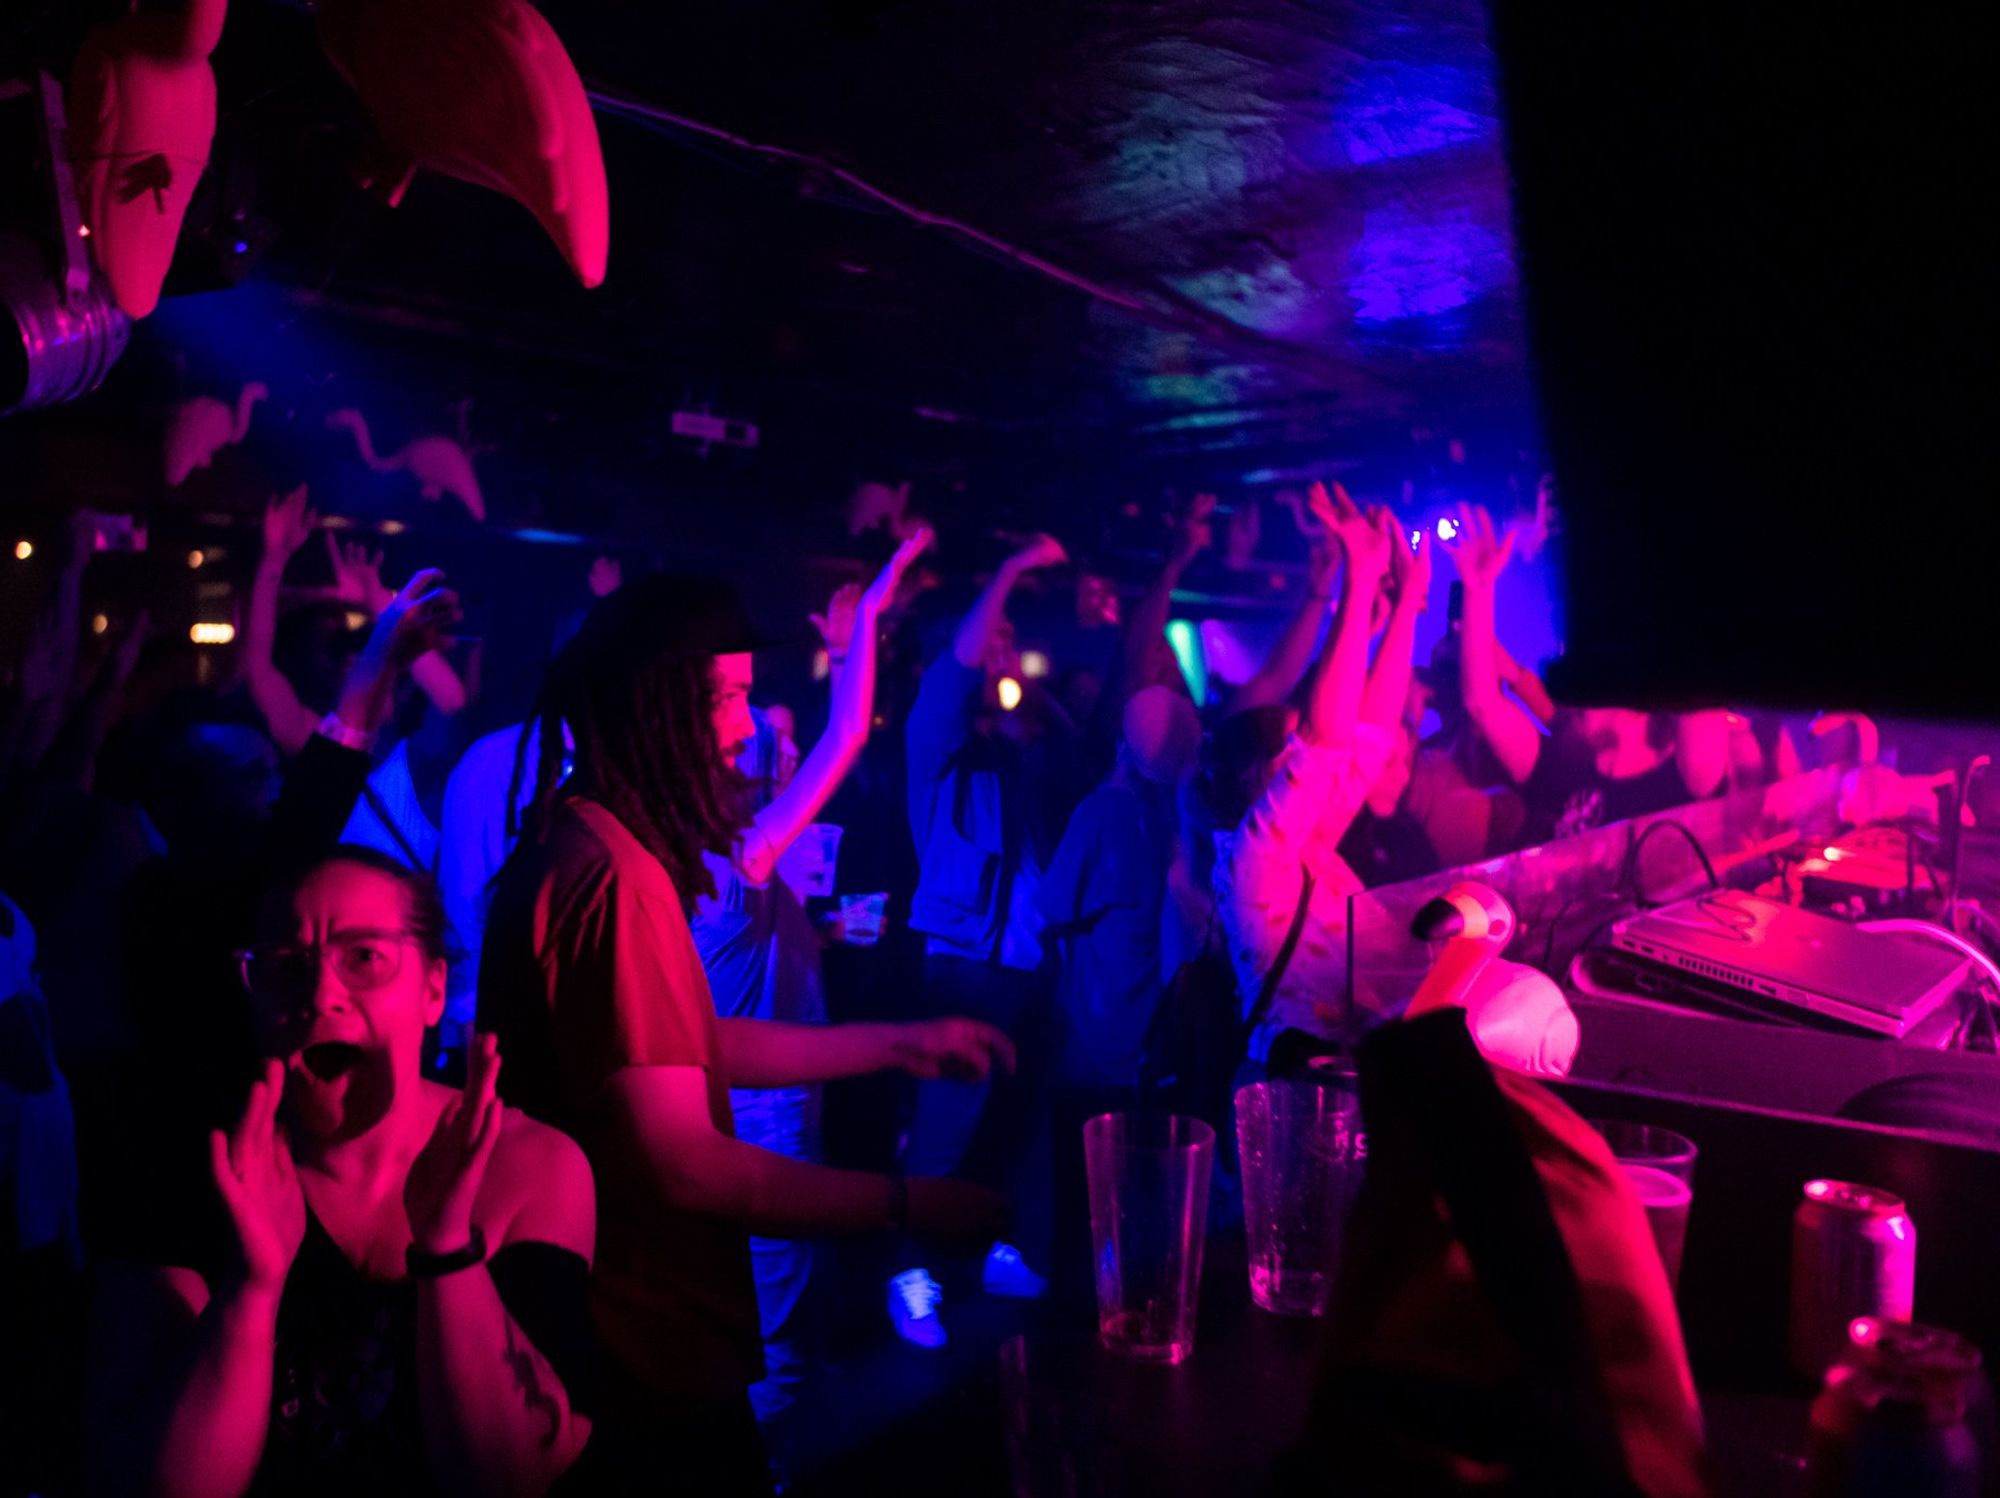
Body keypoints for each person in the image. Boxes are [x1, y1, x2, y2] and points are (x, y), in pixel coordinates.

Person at [479, 570, 1014, 1493]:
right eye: (724, 697)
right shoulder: (613, 876)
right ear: (659, 706)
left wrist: (892, 1043)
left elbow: (677, 1046)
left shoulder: (597, 842)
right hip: (637, 1344)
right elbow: (685, 1161)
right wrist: (913, 1205)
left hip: (632, 1333)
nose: (743, 727)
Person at [88, 848, 596, 1497]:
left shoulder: (531, 1166)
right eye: (287, 967)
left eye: (364, 959)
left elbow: (512, 1476)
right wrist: (251, 1289)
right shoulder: (189, 1171)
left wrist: (446, 1250)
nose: (321, 996)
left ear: (434, 990)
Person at [687, 532, 929, 1452]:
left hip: (729, 1096)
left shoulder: (685, 862)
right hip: (771, 1105)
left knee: (765, 1296)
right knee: (779, 1310)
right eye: (738, 724)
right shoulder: (738, 857)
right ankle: (776, 1462)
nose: (755, 747)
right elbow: (847, 734)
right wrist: (868, 619)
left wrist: (809, 933)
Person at [892, 532, 1073, 1347]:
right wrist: (1008, 571)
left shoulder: (1012, 749)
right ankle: (911, 1278)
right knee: (943, 1128)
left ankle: (997, 1252)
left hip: (1026, 968)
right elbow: (956, 673)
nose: (1004, 650)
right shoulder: (935, 741)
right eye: (992, 639)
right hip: (965, 966)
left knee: (1015, 1124)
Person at [1213, 483, 1427, 1072]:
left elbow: (1370, 738)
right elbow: (1327, 747)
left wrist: (1407, 606)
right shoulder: (1252, 860)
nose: (1305, 754)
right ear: (1256, 773)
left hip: (1345, 1072)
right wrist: (1357, 580)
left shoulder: (1311, 850)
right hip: (1290, 1086)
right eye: (1290, 743)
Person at [1442, 503, 1729, 849]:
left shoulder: (1686, 775)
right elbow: (1482, 704)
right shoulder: (1562, 763)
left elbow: (1699, 673)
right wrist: (1477, 589)